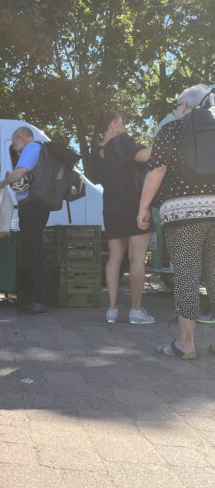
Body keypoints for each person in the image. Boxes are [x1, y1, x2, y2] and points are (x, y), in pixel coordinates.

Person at [137, 84, 215, 359]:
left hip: (183, 215)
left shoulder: (172, 129)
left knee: (186, 276)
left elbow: (157, 170)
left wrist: (144, 207)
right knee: (214, 274)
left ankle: (185, 343)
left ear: (184, 106)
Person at [91, 111, 155, 325]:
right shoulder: (122, 140)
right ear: (114, 124)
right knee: (137, 258)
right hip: (134, 204)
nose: (124, 126)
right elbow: (143, 156)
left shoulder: (96, 151)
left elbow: (98, 178)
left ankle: (112, 309)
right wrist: (163, 144)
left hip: (111, 206)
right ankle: (136, 311)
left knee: (114, 257)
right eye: (122, 122)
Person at [0, 127, 49, 315]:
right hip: (38, 206)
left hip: (31, 207)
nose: (15, 149)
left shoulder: (31, 148)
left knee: (32, 252)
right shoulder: (39, 150)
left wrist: (0, 184)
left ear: (20, 137)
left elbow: (20, 173)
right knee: (33, 251)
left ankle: (37, 300)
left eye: (14, 143)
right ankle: (32, 299)